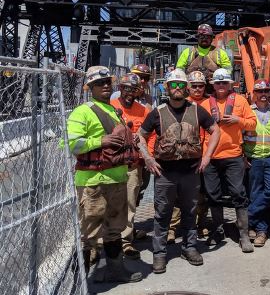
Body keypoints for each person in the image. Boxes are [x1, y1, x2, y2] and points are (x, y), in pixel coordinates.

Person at [137, 69, 221, 274]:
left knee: (190, 212)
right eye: (173, 85)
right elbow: (140, 135)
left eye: (181, 85)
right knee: (162, 213)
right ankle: (160, 254)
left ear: (186, 89)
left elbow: (215, 130)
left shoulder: (197, 110)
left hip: (190, 172)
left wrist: (207, 156)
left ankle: (189, 247)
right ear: (167, 87)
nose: (177, 88)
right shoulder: (157, 112)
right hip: (165, 173)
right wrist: (147, 158)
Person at [66, 66, 142, 283]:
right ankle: (79, 279)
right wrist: (100, 141)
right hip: (93, 182)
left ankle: (115, 271)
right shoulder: (82, 112)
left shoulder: (114, 111)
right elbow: (72, 144)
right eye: (99, 83)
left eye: (108, 81)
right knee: (89, 231)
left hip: (117, 179)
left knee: (114, 229)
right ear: (89, 87)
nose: (105, 85)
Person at [203, 68, 257, 253]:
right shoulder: (204, 105)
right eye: (217, 83)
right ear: (213, 85)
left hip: (233, 156)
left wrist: (237, 120)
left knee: (238, 193)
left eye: (224, 83)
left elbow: (253, 123)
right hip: (211, 158)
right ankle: (217, 230)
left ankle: (243, 234)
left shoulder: (240, 101)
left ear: (230, 84)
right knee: (213, 194)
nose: (220, 86)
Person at [110, 73, 151, 260]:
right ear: (120, 88)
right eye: (126, 88)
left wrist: (147, 157)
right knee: (110, 203)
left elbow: (151, 136)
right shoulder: (110, 108)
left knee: (130, 202)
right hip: (112, 164)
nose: (129, 93)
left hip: (133, 164)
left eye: (133, 90)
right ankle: (108, 239)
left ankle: (125, 241)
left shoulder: (143, 111)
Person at [242, 79, 270, 247]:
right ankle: (261, 231)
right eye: (259, 91)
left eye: (266, 91)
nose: (263, 95)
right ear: (255, 93)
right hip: (253, 159)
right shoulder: (247, 111)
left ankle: (247, 218)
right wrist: (242, 155)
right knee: (255, 194)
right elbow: (239, 134)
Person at [167, 70, 210, 241]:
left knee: (201, 195)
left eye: (201, 86)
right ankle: (172, 227)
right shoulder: (180, 103)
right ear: (187, 87)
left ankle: (201, 224)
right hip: (181, 156)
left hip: (203, 157)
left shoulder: (209, 104)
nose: (197, 89)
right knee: (177, 195)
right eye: (194, 86)